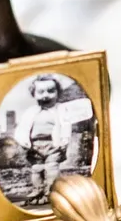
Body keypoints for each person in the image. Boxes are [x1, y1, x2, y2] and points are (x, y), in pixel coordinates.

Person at [10, 74, 95, 205]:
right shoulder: (30, 112)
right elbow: (22, 128)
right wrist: (23, 141)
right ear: (34, 94)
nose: (46, 95)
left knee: (51, 169)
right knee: (36, 168)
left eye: (51, 91)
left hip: (53, 145)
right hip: (34, 146)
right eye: (41, 92)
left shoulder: (61, 110)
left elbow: (66, 125)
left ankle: (50, 192)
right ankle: (38, 191)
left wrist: (64, 140)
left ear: (58, 92)